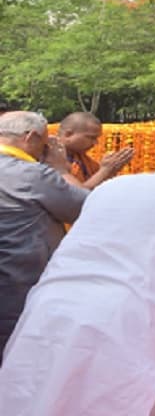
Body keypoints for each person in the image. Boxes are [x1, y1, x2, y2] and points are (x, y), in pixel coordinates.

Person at [0, 161, 155, 415]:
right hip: (126, 310)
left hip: (54, 299)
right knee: (111, 396)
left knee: (38, 388)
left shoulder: (112, 185)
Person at [0, 110, 84, 360]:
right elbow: (86, 209)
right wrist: (61, 169)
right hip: (17, 285)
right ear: (31, 137)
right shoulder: (32, 175)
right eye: (46, 144)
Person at [57, 111, 134, 189]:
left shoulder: (82, 159)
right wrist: (105, 171)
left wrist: (111, 170)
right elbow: (73, 194)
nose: (95, 143)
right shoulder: (50, 159)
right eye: (91, 137)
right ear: (68, 135)